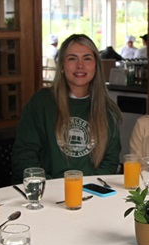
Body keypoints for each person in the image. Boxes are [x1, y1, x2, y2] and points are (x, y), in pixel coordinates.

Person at [12, 34, 122, 182]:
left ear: (96, 65)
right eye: (72, 58)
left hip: (90, 193)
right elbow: (25, 156)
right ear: (62, 66)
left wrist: (86, 187)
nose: (80, 65)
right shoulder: (41, 102)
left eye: (87, 58)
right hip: (47, 193)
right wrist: (51, 187)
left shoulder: (108, 109)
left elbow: (110, 161)